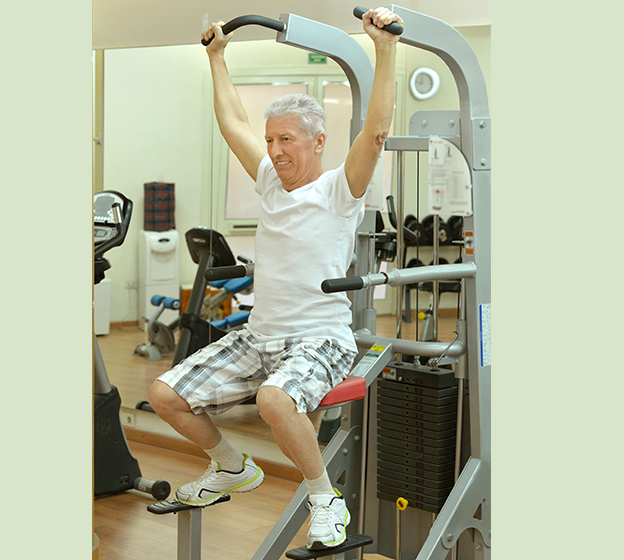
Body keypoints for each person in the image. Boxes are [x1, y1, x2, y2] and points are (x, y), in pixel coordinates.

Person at [148, 7, 402, 551]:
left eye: (287, 139)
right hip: (259, 335)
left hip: (320, 339)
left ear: (318, 142)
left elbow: (377, 131)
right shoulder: (268, 179)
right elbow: (232, 123)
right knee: (165, 395)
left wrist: (384, 49)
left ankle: (324, 499)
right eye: (271, 140)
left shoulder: (340, 188)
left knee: (274, 401)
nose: (275, 150)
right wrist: (216, 57)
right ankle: (232, 467)